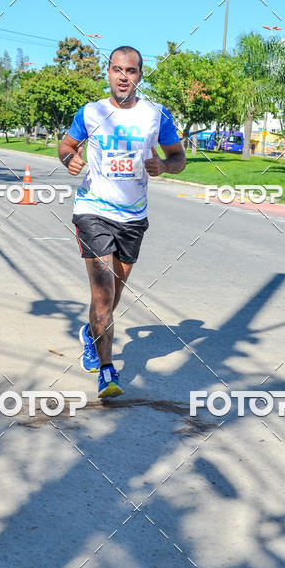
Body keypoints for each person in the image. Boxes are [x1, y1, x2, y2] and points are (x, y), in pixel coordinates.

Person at [58, 46, 186, 399]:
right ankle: (107, 371)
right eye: (117, 69)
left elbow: (179, 158)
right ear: (109, 73)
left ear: (140, 75)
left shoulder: (156, 115)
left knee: (114, 295)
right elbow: (66, 145)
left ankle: (90, 334)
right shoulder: (91, 112)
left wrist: (165, 166)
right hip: (93, 211)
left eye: (130, 71)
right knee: (102, 296)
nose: (123, 76)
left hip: (133, 217)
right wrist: (69, 158)